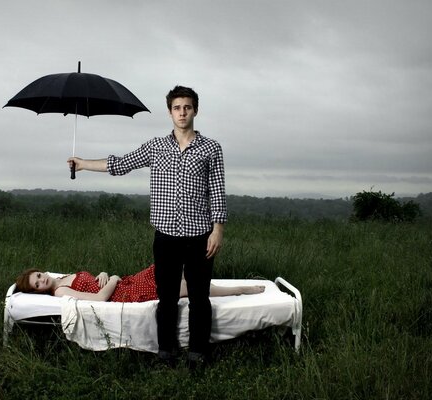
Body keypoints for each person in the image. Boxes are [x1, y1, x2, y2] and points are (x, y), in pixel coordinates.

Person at [67, 86, 227, 366]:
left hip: (200, 237)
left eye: (187, 107)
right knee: (166, 298)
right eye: (177, 108)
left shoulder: (211, 148)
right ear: (169, 112)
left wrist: (217, 230)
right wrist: (83, 164)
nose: (182, 113)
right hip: (165, 238)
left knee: (200, 298)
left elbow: (217, 192)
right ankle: (166, 351)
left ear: (195, 110)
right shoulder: (156, 147)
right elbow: (121, 164)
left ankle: (198, 353)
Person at [15, 265, 265, 301]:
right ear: (38, 292)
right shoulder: (60, 291)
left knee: (171, 266)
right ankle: (239, 290)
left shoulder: (58, 277)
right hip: (123, 294)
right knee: (182, 288)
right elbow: (100, 298)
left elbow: (91, 282)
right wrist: (111, 279)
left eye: (38, 275)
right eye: (37, 284)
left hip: (126, 283)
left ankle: (213, 284)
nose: (41, 279)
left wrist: (102, 273)